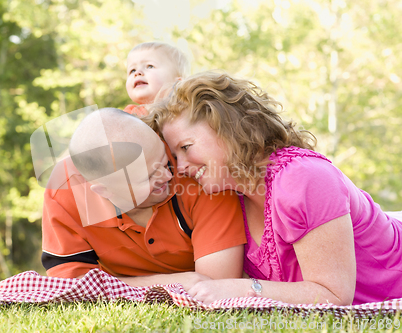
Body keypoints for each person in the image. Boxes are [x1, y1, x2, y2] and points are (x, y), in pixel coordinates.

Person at [145, 71, 402, 305]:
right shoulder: (231, 196)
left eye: (186, 148)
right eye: (175, 157)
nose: (181, 168)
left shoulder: (303, 178)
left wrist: (241, 289)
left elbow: (333, 296)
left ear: (225, 128)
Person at [41, 107, 246, 288]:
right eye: (149, 177)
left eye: (165, 161)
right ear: (105, 191)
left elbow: (216, 285)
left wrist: (110, 285)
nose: (169, 175)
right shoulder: (64, 190)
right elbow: (70, 286)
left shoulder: (197, 173)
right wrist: (169, 282)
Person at [124, 42, 190, 117]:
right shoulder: (128, 116)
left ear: (178, 83)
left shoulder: (187, 114)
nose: (137, 73)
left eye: (150, 66)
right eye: (132, 70)